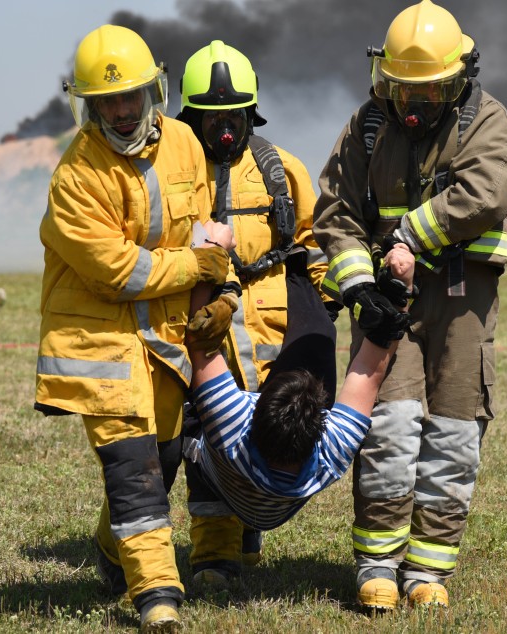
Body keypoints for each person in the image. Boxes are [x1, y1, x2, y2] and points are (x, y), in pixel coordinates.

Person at [313, 0, 507, 611]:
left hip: (464, 299)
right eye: (401, 90)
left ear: (458, 79)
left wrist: (412, 234)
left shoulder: (489, 122)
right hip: (387, 302)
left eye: (428, 92)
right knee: (390, 427)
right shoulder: (367, 128)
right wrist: (357, 286)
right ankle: (376, 565)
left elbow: (487, 191)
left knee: (456, 430)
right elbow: (337, 212)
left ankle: (429, 570)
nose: (412, 105)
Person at [34, 24, 236, 633]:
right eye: (106, 102)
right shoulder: (74, 176)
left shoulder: (185, 144)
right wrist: (193, 266)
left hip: (168, 341)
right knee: (133, 468)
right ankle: (156, 595)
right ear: (88, 106)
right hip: (103, 346)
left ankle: (108, 550)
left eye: (130, 99)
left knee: (166, 454)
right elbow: (115, 271)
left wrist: (220, 292)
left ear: (155, 93)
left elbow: (206, 233)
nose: (121, 113)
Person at [174, 41, 337, 587]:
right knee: (202, 439)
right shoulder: (175, 171)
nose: (224, 128)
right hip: (201, 328)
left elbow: (313, 244)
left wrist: (331, 299)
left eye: (234, 116)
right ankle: (213, 556)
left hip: (272, 335)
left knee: (265, 433)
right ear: (189, 115)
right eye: (211, 117)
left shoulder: (279, 169)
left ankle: (248, 529)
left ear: (252, 113)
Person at [181, 243, 413, 557]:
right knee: (319, 335)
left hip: (221, 478)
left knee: (187, 402)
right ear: (320, 426)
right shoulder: (331, 449)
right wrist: (400, 291)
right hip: (276, 506)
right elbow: (371, 368)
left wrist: (210, 257)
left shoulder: (231, 425)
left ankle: (235, 530)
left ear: (255, 409)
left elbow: (200, 340)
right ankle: (298, 271)